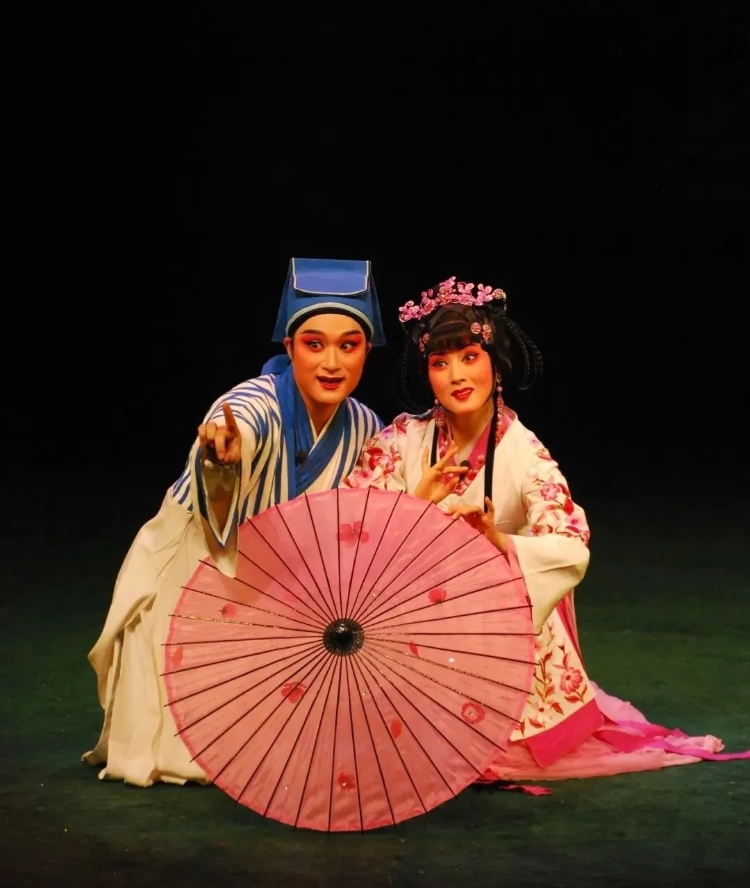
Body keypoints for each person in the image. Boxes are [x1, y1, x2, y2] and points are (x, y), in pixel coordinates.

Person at [343, 275, 748, 787]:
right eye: (440, 363)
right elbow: (350, 528)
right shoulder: (403, 438)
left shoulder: (524, 452)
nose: (456, 375)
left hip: (489, 620)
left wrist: (502, 543)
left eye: (469, 357)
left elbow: (569, 546)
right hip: (408, 617)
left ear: (495, 362)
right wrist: (417, 504)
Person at [83, 257, 386, 787]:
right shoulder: (253, 401)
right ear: (289, 347)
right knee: (185, 749)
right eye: (314, 344)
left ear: (366, 351)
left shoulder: (364, 425)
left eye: (349, 345)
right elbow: (237, 427)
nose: (331, 362)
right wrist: (223, 456)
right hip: (197, 563)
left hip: (274, 582)